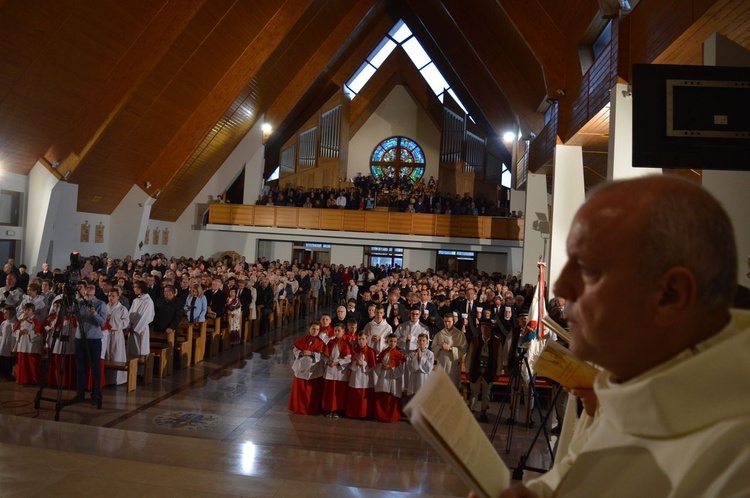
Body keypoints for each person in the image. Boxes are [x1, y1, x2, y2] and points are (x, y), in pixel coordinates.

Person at [498, 176, 750, 497]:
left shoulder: (737, 460)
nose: (561, 287)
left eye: (588, 269)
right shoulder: (633, 390)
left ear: (670, 295)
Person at [75, 284, 106, 406]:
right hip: (80, 338)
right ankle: (80, 393)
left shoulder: (100, 304)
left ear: (95, 291)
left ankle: (95, 393)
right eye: (86, 288)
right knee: (80, 367)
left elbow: (102, 323)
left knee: (95, 367)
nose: (88, 289)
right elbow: (69, 311)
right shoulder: (79, 302)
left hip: (93, 339)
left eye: (91, 288)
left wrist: (94, 313)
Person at [466, 318, 502, 423]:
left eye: (487, 327)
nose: (484, 329)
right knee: (474, 392)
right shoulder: (475, 340)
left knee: (486, 393)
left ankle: (483, 412)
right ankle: (471, 411)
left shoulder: (496, 342)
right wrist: (467, 370)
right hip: (475, 369)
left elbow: (499, 358)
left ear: (491, 329)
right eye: (482, 327)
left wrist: (498, 372)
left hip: (489, 370)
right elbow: (469, 355)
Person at [288, 321, 325, 415]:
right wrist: (301, 353)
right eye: (313, 329)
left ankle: (310, 409)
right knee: (300, 391)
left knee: (311, 392)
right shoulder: (303, 339)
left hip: (313, 370)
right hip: (301, 368)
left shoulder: (321, 342)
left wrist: (312, 353)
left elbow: (323, 355)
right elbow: (295, 349)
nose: (315, 331)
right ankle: (298, 407)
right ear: (309, 329)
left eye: (317, 329)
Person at [322, 323, 352, 418]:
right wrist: (328, 361)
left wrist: (337, 363)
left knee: (339, 392)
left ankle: (338, 410)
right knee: (329, 391)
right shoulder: (330, 343)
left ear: (343, 332)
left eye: (339, 331)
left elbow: (348, 358)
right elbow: (325, 355)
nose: (337, 332)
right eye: (335, 330)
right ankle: (329, 409)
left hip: (340, 371)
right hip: (330, 369)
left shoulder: (346, 344)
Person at [431, 312, 468, 390]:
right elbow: (433, 348)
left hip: (453, 365)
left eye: (449, 321)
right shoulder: (439, 334)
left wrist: (451, 348)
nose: (447, 323)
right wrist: (440, 347)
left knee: (452, 387)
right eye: (445, 321)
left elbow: (463, 349)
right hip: (442, 363)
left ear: (453, 322)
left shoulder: (459, 334)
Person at [345, 331, 377, 419]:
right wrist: (356, 363)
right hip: (355, 376)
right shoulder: (354, 351)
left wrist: (363, 364)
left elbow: (372, 366)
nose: (361, 341)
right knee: (354, 395)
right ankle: (353, 413)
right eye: (359, 339)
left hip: (365, 377)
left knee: (364, 396)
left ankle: (364, 414)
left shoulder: (371, 351)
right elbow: (350, 364)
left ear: (367, 339)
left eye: (363, 339)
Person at [374, 333, 405, 423]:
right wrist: (381, 366)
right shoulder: (383, 353)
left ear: (397, 342)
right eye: (391, 341)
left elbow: (401, 368)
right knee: (383, 395)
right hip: (384, 376)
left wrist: (391, 367)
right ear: (387, 342)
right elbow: (378, 364)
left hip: (393, 379)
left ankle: (392, 416)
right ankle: (380, 415)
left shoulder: (399, 354)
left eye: (394, 341)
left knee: (392, 397)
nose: (392, 343)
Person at [13, 302, 45, 385]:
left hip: (32, 347)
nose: (26, 311)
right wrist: (20, 332)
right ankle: (22, 379)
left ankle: (33, 380)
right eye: (25, 310)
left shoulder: (36, 322)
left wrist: (29, 332)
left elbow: (40, 334)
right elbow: (14, 332)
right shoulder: (20, 321)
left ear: (33, 311)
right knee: (22, 364)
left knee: (32, 364)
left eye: (28, 310)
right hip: (22, 346)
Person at [104, 288, 130, 385]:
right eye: (109, 296)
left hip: (117, 335)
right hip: (106, 334)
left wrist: (112, 321)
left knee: (116, 354)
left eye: (113, 296)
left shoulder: (122, 309)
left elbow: (125, 322)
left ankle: (118, 379)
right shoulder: (105, 307)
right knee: (107, 354)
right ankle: (106, 378)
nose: (111, 298)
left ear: (118, 297)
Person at [128, 280, 154, 361]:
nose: (134, 289)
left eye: (136, 287)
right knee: (132, 350)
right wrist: (129, 325)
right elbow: (130, 314)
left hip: (140, 329)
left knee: (140, 350)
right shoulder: (136, 300)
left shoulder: (148, 301)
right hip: (132, 328)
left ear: (141, 288)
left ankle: (140, 372)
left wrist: (136, 328)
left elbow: (146, 317)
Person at [0, 306, 17, 379]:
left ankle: (7, 375)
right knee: (2, 360)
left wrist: (13, 348)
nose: (4, 315)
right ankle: (2, 374)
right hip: (2, 344)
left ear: (11, 314)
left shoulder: (14, 323)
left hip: (9, 345)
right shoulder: (3, 323)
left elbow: (14, 337)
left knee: (8, 361)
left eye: (6, 313)